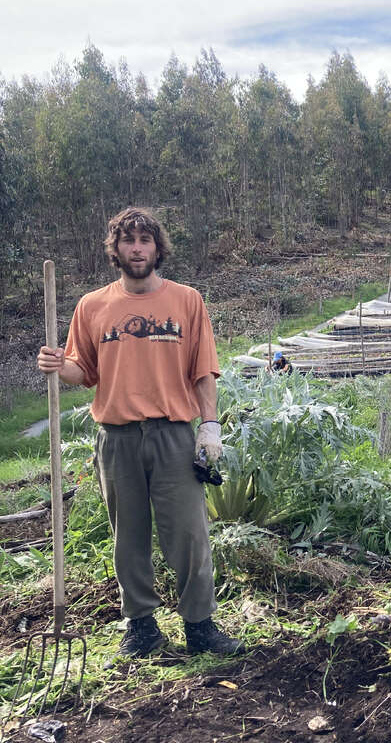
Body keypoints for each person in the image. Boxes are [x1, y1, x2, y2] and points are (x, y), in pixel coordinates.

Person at [37, 207, 242, 658]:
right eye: (128, 240)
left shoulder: (187, 301)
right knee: (128, 536)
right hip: (117, 438)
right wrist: (57, 365)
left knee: (188, 534)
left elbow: (204, 370)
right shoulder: (92, 306)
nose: (136, 248)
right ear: (116, 250)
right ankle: (142, 627)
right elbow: (82, 370)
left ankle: (200, 627)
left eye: (144, 240)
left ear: (157, 248)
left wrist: (209, 427)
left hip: (173, 435)